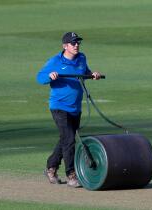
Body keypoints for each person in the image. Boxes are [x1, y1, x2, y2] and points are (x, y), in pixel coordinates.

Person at [36, 32, 102, 187]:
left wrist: (93, 75)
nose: (77, 45)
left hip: (75, 107)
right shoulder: (55, 61)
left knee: (66, 139)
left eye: (78, 42)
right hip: (59, 107)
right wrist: (50, 76)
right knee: (70, 139)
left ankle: (50, 167)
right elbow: (39, 77)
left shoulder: (81, 58)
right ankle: (71, 174)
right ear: (65, 46)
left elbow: (84, 73)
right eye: (73, 43)